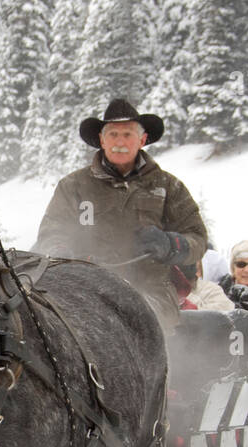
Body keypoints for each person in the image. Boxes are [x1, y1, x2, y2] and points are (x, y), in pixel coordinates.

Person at [33, 98, 208, 331]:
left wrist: (170, 244)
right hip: (83, 286)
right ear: (101, 141)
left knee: (136, 320)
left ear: (142, 140)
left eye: (127, 135)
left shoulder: (168, 187)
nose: (120, 142)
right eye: (113, 134)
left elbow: (198, 239)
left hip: (152, 288)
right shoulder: (73, 186)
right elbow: (51, 232)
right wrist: (61, 254)